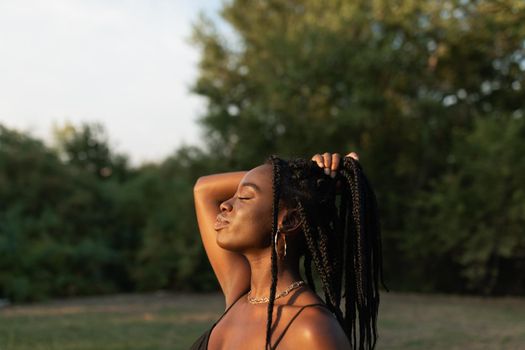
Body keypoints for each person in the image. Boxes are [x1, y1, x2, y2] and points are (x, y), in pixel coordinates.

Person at [190, 152, 387, 350]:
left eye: (244, 196)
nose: (225, 205)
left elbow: (205, 190)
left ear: (290, 220)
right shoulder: (241, 294)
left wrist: (296, 184)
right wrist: (312, 176)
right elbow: (204, 189)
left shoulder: (312, 329)